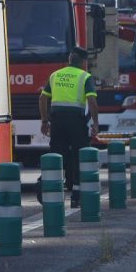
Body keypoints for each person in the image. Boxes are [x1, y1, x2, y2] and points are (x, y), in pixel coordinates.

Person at [38, 48, 98, 207]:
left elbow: (43, 98)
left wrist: (44, 121)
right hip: (76, 122)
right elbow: (92, 102)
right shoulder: (85, 77)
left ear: (70, 60)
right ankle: (76, 196)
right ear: (84, 63)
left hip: (57, 121)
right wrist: (95, 124)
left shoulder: (55, 75)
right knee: (79, 157)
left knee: (57, 156)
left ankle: (51, 192)